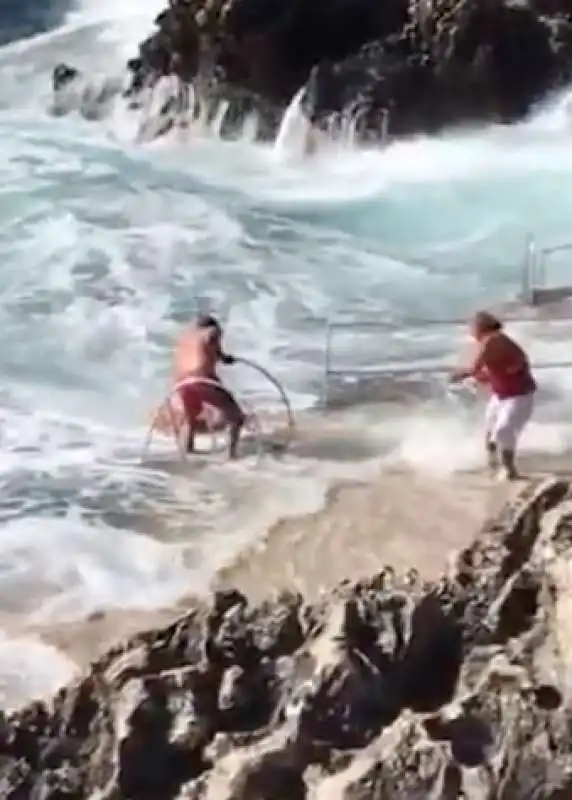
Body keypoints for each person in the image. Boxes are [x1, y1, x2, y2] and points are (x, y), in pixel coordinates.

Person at [450, 311, 536, 481]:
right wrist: (472, 377)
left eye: (472, 327)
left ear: (481, 327)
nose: (470, 331)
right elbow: (489, 372)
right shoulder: (486, 342)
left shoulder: (493, 340)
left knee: (503, 431)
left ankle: (509, 470)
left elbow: (474, 367)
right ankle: (492, 464)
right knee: (490, 431)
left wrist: (462, 374)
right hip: (501, 395)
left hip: (519, 396)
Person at [174, 314, 245, 459]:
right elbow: (211, 339)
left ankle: (189, 448)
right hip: (203, 380)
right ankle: (232, 455)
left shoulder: (185, 338)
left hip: (183, 384)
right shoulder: (212, 331)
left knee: (192, 419)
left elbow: (208, 351)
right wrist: (221, 353)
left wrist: (224, 358)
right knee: (237, 417)